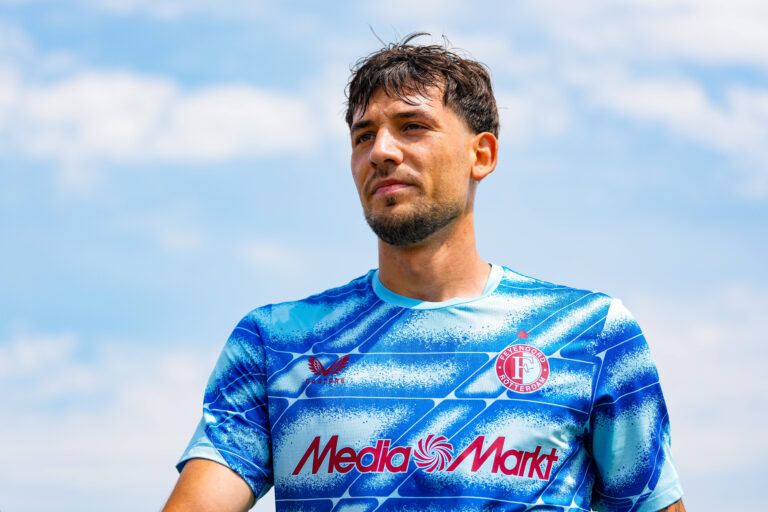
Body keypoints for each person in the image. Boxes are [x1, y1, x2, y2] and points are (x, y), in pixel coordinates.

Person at [163, 34, 685, 512]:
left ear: (482, 154)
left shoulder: (590, 334)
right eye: (364, 136)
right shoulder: (276, 342)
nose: (381, 152)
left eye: (412, 127)